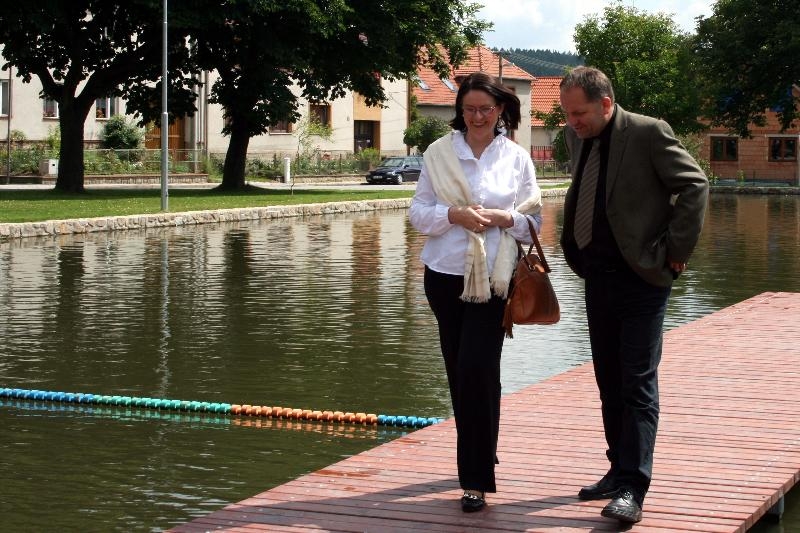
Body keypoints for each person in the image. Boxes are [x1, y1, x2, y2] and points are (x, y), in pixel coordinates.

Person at [558, 66, 709, 524]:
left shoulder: (648, 132)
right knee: (608, 380)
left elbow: (694, 184)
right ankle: (617, 470)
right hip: (596, 276)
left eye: (579, 113)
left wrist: (675, 252)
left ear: (606, 103)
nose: (572, 122)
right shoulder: (578, 137)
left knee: (637, 382)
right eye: (567, 114)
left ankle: (633, 488)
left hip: (642, 278)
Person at [409, 71, 542, 513]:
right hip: (444, 275)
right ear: (460, 111)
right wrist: (454, 215)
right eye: (469, 109)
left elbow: (533, 220)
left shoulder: (517, 158)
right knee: (462, 370)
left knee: (475, 367)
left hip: (496, 280)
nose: (478, 117)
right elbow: (418, 213)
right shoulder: (438, 153)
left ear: (500, 109)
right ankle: (482, 449)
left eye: (486, 109)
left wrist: (505, 219)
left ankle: (475, 479)